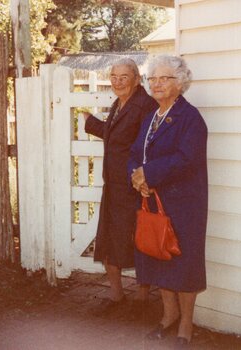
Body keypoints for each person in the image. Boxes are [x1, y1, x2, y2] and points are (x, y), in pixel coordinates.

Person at [129, 55, 208, 348]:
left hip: (185, 203)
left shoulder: (191, 118)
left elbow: (186, 159)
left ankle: (185, 324)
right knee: (158, 254)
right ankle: (168, 315)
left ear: (180, 83)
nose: (156, 83)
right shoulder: (151, 116)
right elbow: (135, 152)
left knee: (184, 262)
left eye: (164, 78)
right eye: (153, 78)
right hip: (153, 199)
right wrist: (136, 177)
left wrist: (147, 174)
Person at [83, 58, 158, 314]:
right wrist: (91, 123)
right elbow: (117, 136)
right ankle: (116, 295)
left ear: (137, 79)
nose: (117, 81)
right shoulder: (119, 102)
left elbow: (148, 146)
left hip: (133, 187)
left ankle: (142, 298)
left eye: (124, 77)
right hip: (113, 186)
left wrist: (143, 178)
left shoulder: (145, 105)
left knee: (138, 239)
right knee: (109, 239)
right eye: (114, 76)